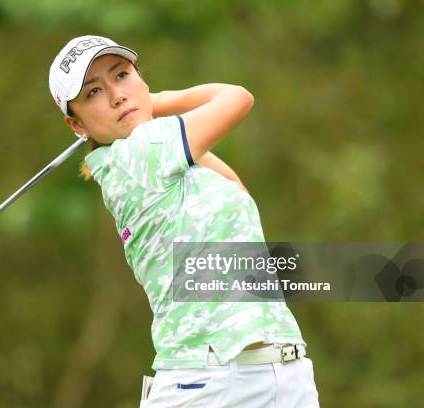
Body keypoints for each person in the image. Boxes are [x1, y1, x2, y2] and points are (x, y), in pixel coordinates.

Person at [49, 35, 320, 408]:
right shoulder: (138, 156)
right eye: (94, 92)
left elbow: (237, 190)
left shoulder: (163, 157)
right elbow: (237, 99)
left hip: (283, 375)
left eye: (123, 75)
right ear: (76, 125)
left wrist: (147, 109)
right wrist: (158, 101)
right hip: (209, 384)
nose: (117, 95)